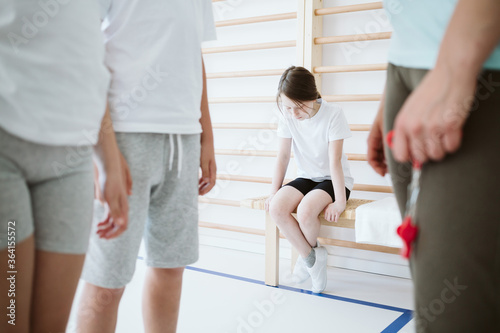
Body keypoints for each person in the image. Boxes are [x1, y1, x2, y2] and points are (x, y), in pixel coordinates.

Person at [76, 1, 217, 332]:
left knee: (171, 266)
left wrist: (206, 136)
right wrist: (104, 153)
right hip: (123, 135)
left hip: (183, 138)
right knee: (107, 278)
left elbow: (192, 51)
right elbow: (84, 48)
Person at [367, 0, 500, 331]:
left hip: (478, 62)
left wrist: (454, 71)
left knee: (451, 317)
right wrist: (390, 99)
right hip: (408, 68)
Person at [0, 1, 124, 332]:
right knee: (12, 320)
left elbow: (88, 55)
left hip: (73, 156)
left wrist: (109, 160)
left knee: (51, 325)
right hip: (6, 143)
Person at [266, 66, 354, 293]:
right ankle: (311, 256)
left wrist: (340, 202)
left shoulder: (333, 114)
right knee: (276, 208)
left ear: (313, 96)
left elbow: (334, 163)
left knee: (306, 211)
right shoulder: (287, 115)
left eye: (298, 107)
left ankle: (308, 259)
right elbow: (283, 156)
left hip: (333, 181)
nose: (293, 114)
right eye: (287, 107)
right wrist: (273, 191)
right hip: (306, 176)